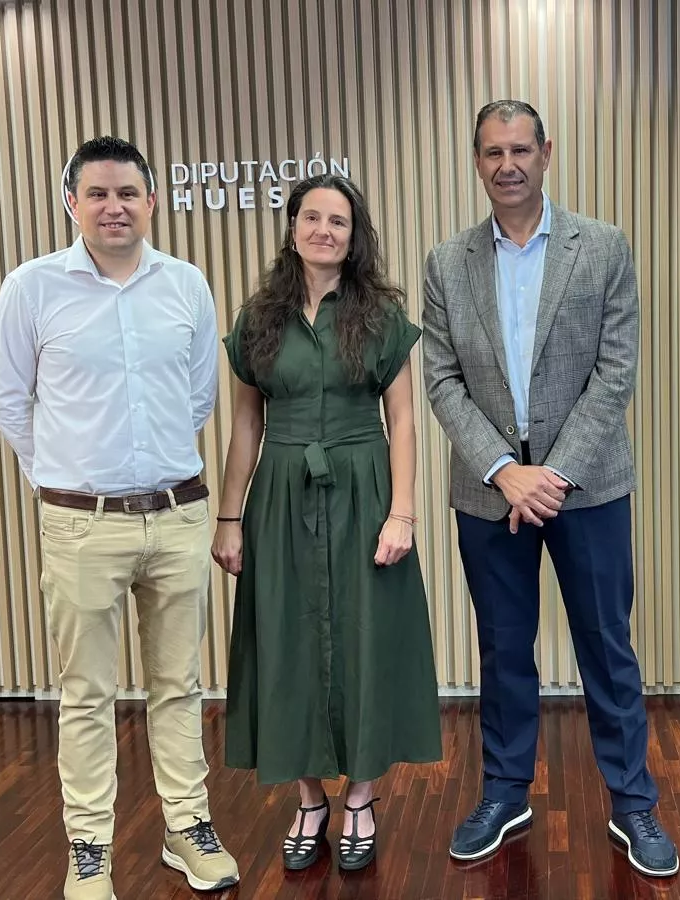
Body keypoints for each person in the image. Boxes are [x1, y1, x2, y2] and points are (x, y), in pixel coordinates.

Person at [420, 101, 680, 878]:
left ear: (546, 153)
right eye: (493, 151)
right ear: (476, 161)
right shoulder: (446, 263)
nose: (509, 164)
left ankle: (633, 803)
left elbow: (615, 372)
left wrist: (553, 473)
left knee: (607, 645)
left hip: (588, 487)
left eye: (521, 150)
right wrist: (506, 471)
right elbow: (441, 380)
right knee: (502, 649)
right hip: (488, 491)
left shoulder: (600, 247)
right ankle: (505, 791)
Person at [0, 135, 240, 899]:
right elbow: (8, 401)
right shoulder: (32, 288)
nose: (113, 206)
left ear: (151, 200)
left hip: (176, 516)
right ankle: (90, 846)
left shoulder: (186, 285)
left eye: (127, 192)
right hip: (79, 526)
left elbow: (198, 399)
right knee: (86, 693)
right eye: (96, 193)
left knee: (179, 683)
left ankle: (185, 828)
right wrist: (65, 480)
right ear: (71, 203)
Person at [213, 173, 442, 873]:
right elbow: (246, 422)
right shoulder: (259, 319)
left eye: (338, 221)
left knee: (369, 642)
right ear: (292, 228)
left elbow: (402, 422)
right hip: (279, 494)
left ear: (354, 235)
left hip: (363, 488)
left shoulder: (381, 317)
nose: (324, 230)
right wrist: (229, 517)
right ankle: (310, 799)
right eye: (312, 217)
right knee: (285, 643)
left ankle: (362, 800)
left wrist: (401, 512)